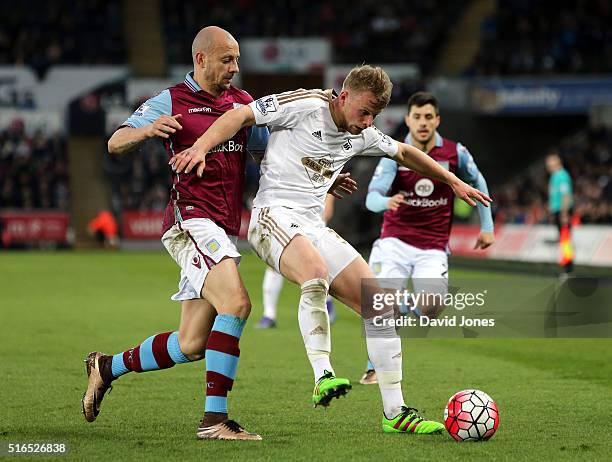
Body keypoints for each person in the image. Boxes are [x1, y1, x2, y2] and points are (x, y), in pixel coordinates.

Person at [171, 65, 491, 434]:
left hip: (311, 224)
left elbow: (403, 152)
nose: (368, 121)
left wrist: (452, 181)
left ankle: (395, 412)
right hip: (271, 216)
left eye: (374, 115)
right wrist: (200, 147)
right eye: (364, 111)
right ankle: (323, 373)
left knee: (379, 302)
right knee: (315, 271)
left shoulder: (363, 132)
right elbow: (243, 113)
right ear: (343, 96)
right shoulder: (305, 103)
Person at [82, 26, 268, 441]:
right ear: (201, 59)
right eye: (227, 60)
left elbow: (265, 153)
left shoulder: (242, 104)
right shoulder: (171, 100)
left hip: (223, 226)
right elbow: (116, 141)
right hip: (191, 221)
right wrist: (147, 130)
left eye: (237, 60)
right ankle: (214, 421)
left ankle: (106, 367)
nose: (235, 69)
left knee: (191, 343)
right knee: (236, 305)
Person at [358, 91, 495, 385]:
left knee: (432, 306)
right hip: (395, 241)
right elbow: (371, 199)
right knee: (379, 305)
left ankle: (401, 307)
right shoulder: (395, 153)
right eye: (417, 117)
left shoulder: (455, 153)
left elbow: (478, 182)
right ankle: (374, 365)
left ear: (437, 120)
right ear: (408, 119)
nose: (422, 123)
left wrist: (488, 227)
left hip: (433, 245)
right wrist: (387, 202)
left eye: (428, 117)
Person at [256, 194, 338, 328]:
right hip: (286, 214)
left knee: (317, 266)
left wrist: (324, 207)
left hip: (311, 219)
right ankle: (268, 315)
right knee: (274, 262)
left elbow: (328, 204)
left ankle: (326, 302)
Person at [546, 151, 574, 272]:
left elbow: (566, 195)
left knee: (565, 238)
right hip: (558, 210)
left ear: (557, 162)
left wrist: (564, 213)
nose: (548, 165)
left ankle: (568, 266)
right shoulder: (555, 176)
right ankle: (566, 262)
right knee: (563, 238)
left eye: (550, 162)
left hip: (563, 211)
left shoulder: (562, 176)